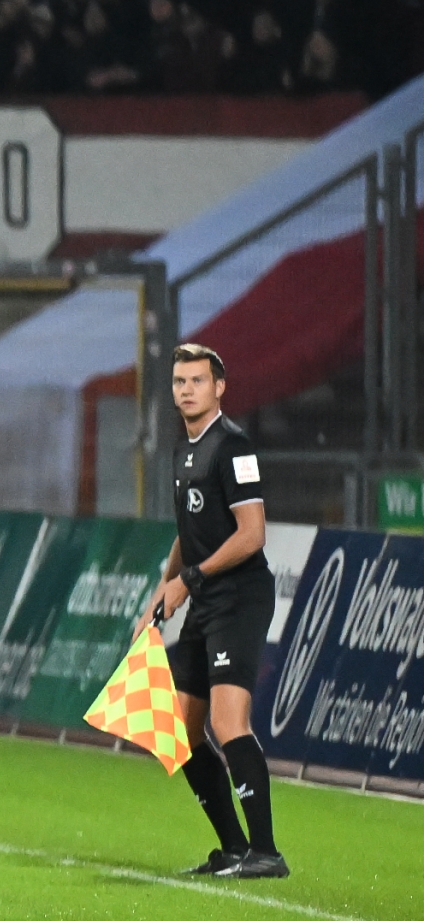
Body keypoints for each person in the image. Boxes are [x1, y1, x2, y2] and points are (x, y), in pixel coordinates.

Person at [144, 344, 288, 879]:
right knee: (181, 732)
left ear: (219, 387)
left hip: (239, 598)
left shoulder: (233, 447)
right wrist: (162, 590)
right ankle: (232, 848)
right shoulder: (184, 451)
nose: (187, 390)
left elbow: (253, 534)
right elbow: (189, 534)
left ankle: (266, 852)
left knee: (228, 723)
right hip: (204, 598)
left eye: (197, 381)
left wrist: (189, 580)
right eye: (179, 382)